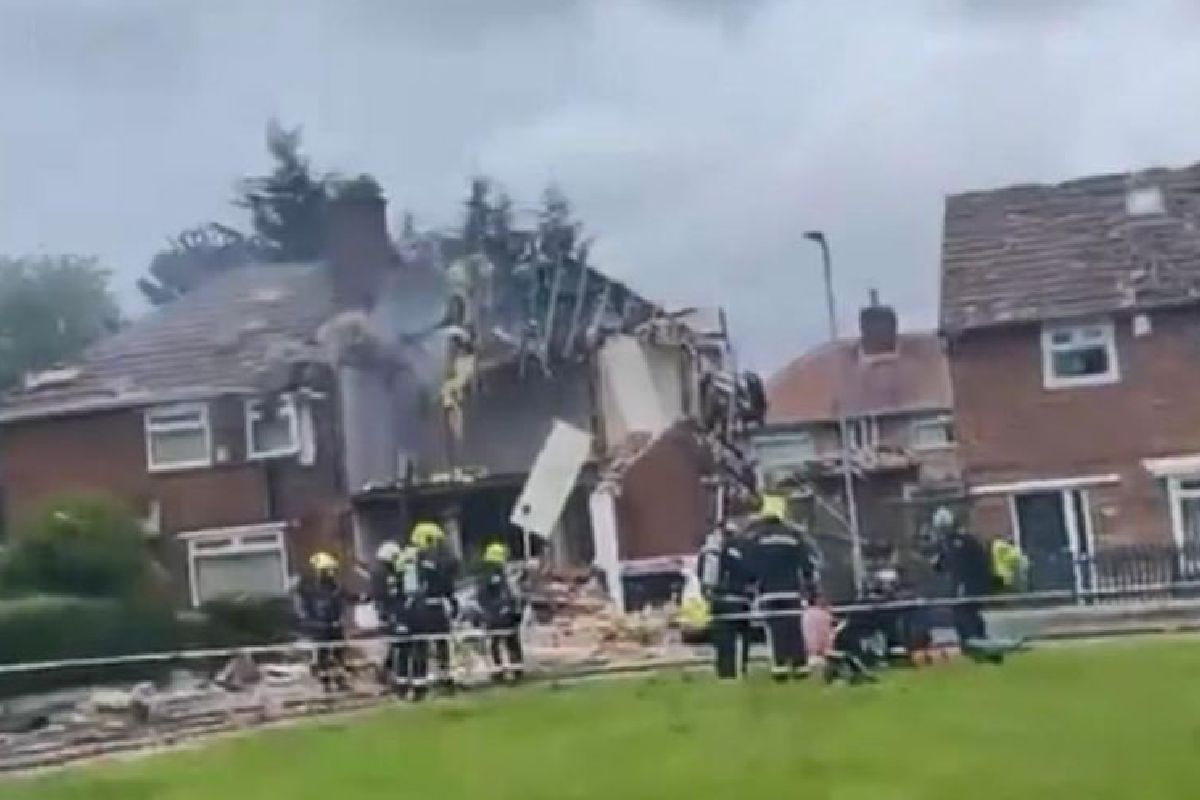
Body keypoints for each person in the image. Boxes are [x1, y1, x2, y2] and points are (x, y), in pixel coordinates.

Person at [746, 492, 819, 681]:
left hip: (768, 592)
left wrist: (751, 587)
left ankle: (779, 667)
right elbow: (808, 564)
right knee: (794, 628)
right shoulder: (794, 536)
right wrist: (812, 590)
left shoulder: (756, 538)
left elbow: (749, 566)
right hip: (792, 591)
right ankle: (800, 666)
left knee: (775, 629)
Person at [408, 521, 461, 699]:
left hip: (436, 605)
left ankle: (445, 680)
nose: (438, 547)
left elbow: (447, 583)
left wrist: (452, 601)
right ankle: (419, 686)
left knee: (441, 645)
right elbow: (411, 587)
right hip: (421, 607)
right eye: (435, 542)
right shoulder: (412, 562)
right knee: (421, 647)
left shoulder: (437, 562)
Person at [697, 520, 755, 679]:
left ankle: (724, 672)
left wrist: (707, 594)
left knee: (722, 640)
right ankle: (739, 670)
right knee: (741, 638)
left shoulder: (709, 551)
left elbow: (701, 574)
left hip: (718, 600)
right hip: (739, 600)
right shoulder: (742, 549)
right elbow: (750, 574)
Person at [929, 506, 993, 650]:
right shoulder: (944, 544)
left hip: (969, 585)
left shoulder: (964, 541)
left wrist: (974, 584)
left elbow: (976, 564)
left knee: (968, 614)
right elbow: (942, 566)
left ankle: (978, 641)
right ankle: (968, 643)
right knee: (960, 615)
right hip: (957, 586)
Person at [297, 551, 349, 693]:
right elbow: (307, 608)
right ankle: (325, 683)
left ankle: (340, 681)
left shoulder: (334, 587)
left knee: (339, 654)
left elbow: (339, 603)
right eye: (328, 570)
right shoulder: (310, 588)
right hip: (320, 628)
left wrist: (339, 619)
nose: (331, 573)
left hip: (334, 626)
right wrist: (315, 623)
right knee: (323, 655)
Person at [476, 541, 525, 682]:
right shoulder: (491, 575)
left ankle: (511, 670)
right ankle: (501, 671)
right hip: (497, 615)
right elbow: (486, 596)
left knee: (507, 642)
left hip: (504, 614)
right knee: (500, 642)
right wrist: (498, 608)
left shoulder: (498, 574)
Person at [370, 541, 414, 695]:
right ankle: (389, 673)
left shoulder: (386, 571)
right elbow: (383, 594)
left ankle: (387, 672)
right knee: (397, 645)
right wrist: (386, 614)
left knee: (397, 645)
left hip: (391, 612)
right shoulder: (382, 573)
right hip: (390, 613)